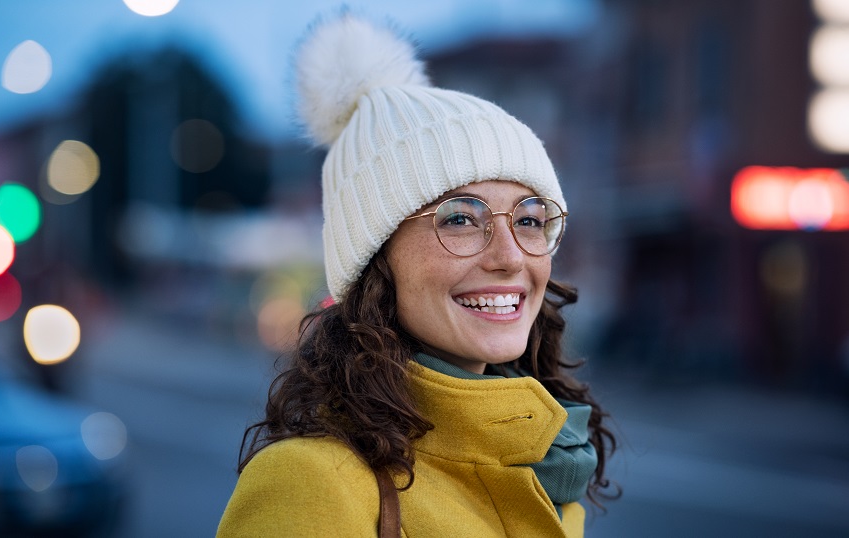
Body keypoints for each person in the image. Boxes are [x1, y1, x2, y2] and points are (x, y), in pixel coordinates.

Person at [217, 12, 616, 537]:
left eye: (529, 220)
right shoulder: (311, 483)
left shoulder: (551, 464)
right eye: (460, 218)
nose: (511, 257)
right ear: (375, 259)